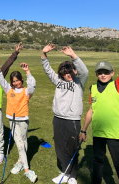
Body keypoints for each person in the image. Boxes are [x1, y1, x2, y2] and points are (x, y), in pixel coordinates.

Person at [79, 28, 119, 184]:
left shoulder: (118, 85)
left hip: (116, 134)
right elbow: (91, 110)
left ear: (112, 73)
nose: (103, 75)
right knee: (98, 162)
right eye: (100, 72)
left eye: (106, 72)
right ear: (96, 74)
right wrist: (83, 130)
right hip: (98, 133)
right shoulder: (93, 88)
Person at [41, 44, 89, 184]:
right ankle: (65, 173)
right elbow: (48, 70)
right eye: (65, 73)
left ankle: (73, 175)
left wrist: (73, 55)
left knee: (72, 148)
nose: (68, 75)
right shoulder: (58, 81)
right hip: (58, 119)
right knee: (60, 147)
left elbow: (84, 71)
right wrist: (44, 54)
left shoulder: (80, 82)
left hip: (72, 120)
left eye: (71, 72)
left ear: (75, 70)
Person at [0, 62, 37, 182]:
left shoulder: (26, 91)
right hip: (12, 119)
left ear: (21, 79)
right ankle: (27, 169)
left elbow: (32, 85)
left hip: (23, 119)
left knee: (23, 141)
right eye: (14, 81)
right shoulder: (9, 89)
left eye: (18, 80)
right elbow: (1, 80)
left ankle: (20, 162)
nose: (16, 83)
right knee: (20, 144)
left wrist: (27, 71)